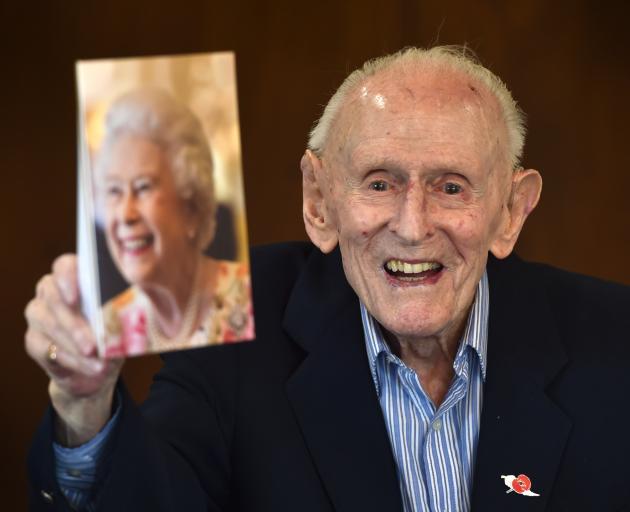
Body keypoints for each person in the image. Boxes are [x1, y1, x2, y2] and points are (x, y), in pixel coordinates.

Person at [25, 46, 630, 511]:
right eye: (378, 182)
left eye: (451, 187)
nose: (413, 226)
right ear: (318, 202)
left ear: (511, 212)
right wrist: (83, 404)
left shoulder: (615, 341)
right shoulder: (239, 316)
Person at [89, 89, 253, 357]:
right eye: (114, 191)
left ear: (190, 207)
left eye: (143, 187)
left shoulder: (247, 301)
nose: (125, 215)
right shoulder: (109, 327)